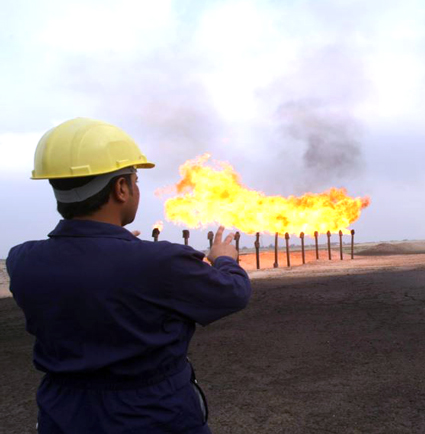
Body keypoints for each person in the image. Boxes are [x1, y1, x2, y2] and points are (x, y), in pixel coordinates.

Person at [6, 117, 251, 433]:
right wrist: (224, 260)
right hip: (152, 416)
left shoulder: (22, 260)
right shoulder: (159, 262)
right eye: (135, 179)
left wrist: (120, 249)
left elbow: (85, 270)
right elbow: (234, 293)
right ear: (121, 188)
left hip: (63, 415)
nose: (136, 187)